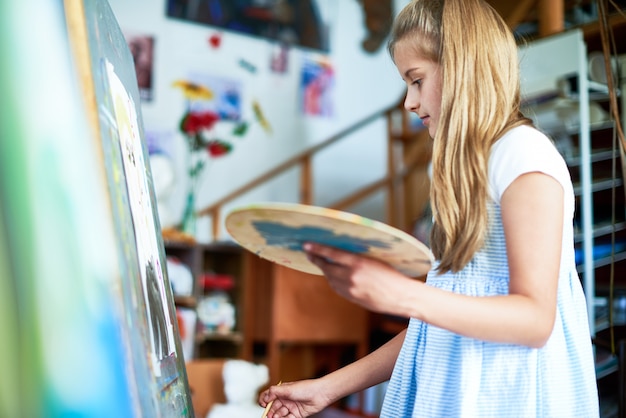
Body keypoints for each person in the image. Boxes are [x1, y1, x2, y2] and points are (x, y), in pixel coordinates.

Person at [259, 0, 600, 416]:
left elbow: (534, 320)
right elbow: (437, 320)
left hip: (509, 397)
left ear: (462, 67)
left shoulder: (524, 155)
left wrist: (403, 294)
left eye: (416, 80)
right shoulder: (456, 169)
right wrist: (329, 388)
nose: (408, 102)